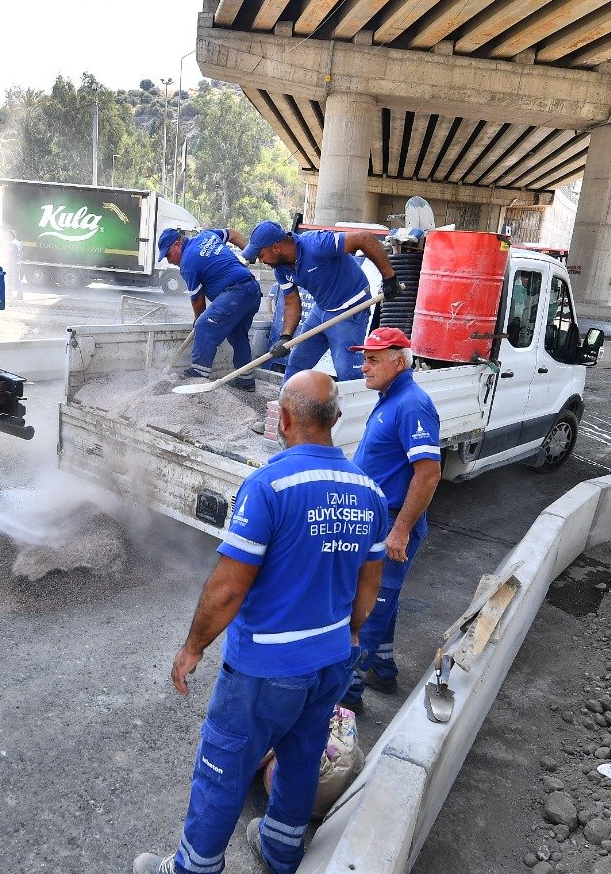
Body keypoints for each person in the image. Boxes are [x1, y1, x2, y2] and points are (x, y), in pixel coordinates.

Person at [132, 371, 387, 874]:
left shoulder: (269, 486)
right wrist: (351, 635)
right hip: (330, 660)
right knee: (299, 758)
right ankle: (279, 851)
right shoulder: (369, 491)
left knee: (223, 763)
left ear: (286, 420)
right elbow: (369, 589)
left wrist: (193, 647)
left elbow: (228, 586)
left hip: (265, 669)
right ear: (337, 421)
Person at [342, 328, 441, 711]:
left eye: (372, 359)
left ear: (398, 361)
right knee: (384, 599)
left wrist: (399, 531)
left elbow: (429, 473)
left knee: (369, 606)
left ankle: (346, 696)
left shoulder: (412, 404)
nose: (362, 366)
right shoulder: (390, 397)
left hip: (391, 524)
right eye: (364, 357)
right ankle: (382, 669)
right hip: (379, 522)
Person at [240, 221, 403, 383]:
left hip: (350, 309)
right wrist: (285, 337)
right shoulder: (280, 269)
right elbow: (291, 300)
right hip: (321, 309)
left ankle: (356, 408)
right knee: (297, 362)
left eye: (261, 255)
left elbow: (364, 238)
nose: (261, 261)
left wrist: (389, 277)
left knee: (347, 373)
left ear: (276, 247)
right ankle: (286, 407)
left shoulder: (316, 243)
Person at [158, 226, 260, 391]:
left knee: (204, 325)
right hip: (251, 290)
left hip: (236, 293)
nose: (169, 261)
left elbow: (198, 301)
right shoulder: (206, 235)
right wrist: (247, 249)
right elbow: (232, 233)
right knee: (237, 335)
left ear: (177, 243)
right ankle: (246, 381)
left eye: (168, 255)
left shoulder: (187, 263)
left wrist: (198, 322)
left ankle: (198, 376)